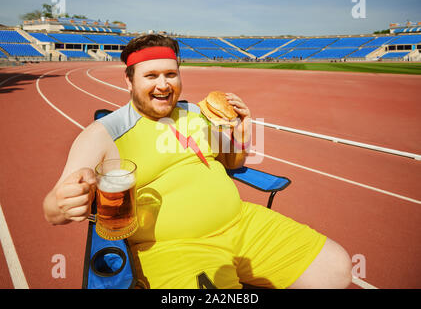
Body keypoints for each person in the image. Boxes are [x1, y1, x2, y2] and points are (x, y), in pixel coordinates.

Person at [43, 34, 352, 289]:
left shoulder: (199, 112)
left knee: (336, 268)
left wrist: (242, 135)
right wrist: (65, 202)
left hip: (242, 224)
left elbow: (232, 163)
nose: (163, 85)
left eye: (170, 74)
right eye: (150, 76)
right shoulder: (103, 133)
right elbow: (52, 210)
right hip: (174, 248)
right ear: (129, 80)